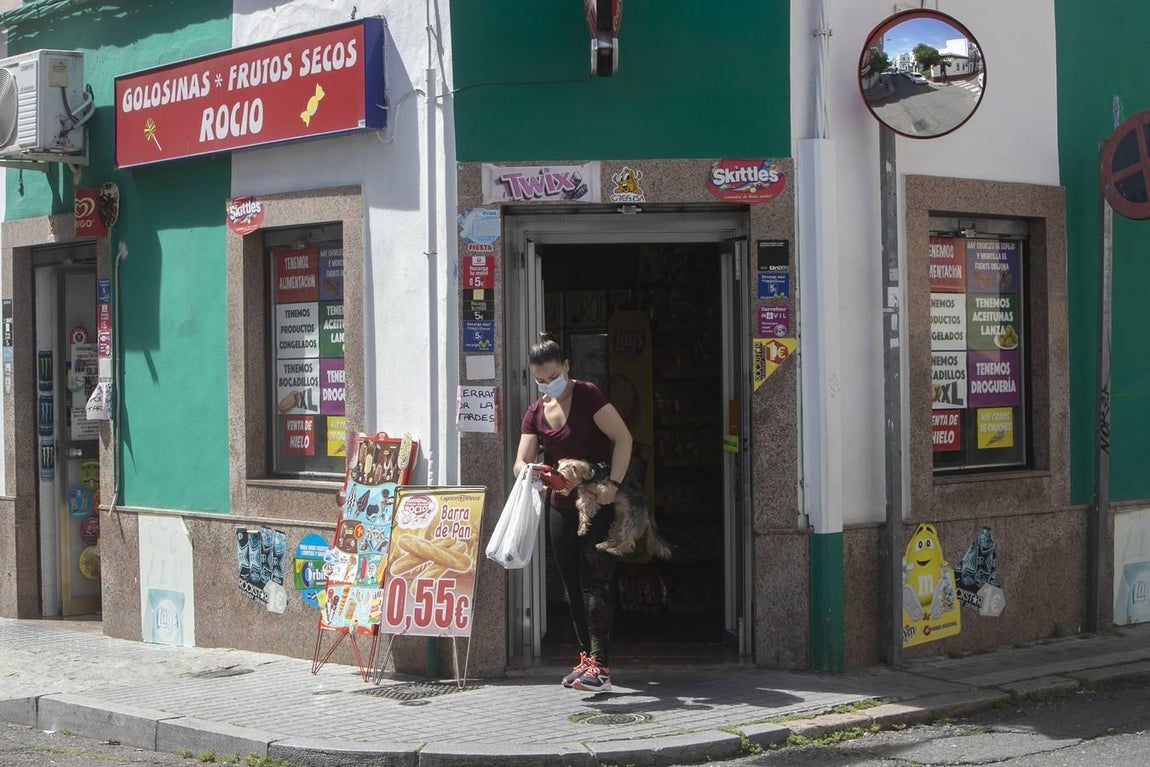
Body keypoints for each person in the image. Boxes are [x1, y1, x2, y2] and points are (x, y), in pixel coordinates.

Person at [514, 331, 633, 692]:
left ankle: (602, 666)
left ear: (567, 366)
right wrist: (539, 472)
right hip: (561, 506)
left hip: (597, 503)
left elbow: (623, 438)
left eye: (554, 376)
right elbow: (520, 463)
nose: (548, 384)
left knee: (596, 582)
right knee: (571, 585)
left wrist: (613, 485)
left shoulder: (588, 395)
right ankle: (586, 658)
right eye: (541, 380)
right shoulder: (536, 412)